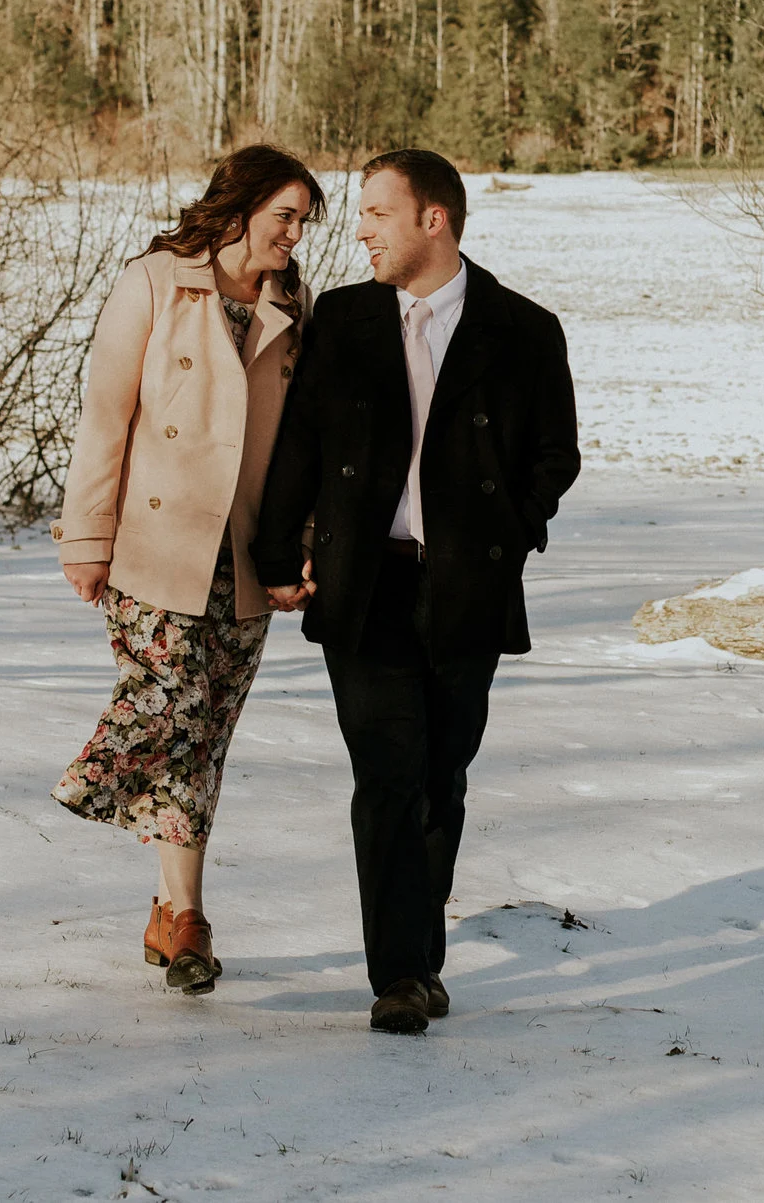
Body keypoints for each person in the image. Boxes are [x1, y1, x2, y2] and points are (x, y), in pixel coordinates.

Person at [253, 149, 580, 1034]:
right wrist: (277, 548)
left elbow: (557, 457)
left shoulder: (524, 330)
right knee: (388, 773)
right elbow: (303, 445)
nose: (359, 229)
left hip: (468, 589)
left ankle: (418, 948)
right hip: (366, 585)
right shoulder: (346, 320)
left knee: (442, 778)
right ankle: (399, 973)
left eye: (376, 213)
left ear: (433, 220)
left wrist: (508, 530)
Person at [50, 145, 326, 995]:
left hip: (244, 555)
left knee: (205, 739)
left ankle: (182, 915)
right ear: (239, 208)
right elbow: (106, 414)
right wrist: (86, 535)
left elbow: (300, 445)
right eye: (284, 215)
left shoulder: (291, 301)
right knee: (172, 705)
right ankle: (96, 778)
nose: (295, 234)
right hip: (155, 546)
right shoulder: (155, 281)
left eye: (304, 221)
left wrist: (298, 545)